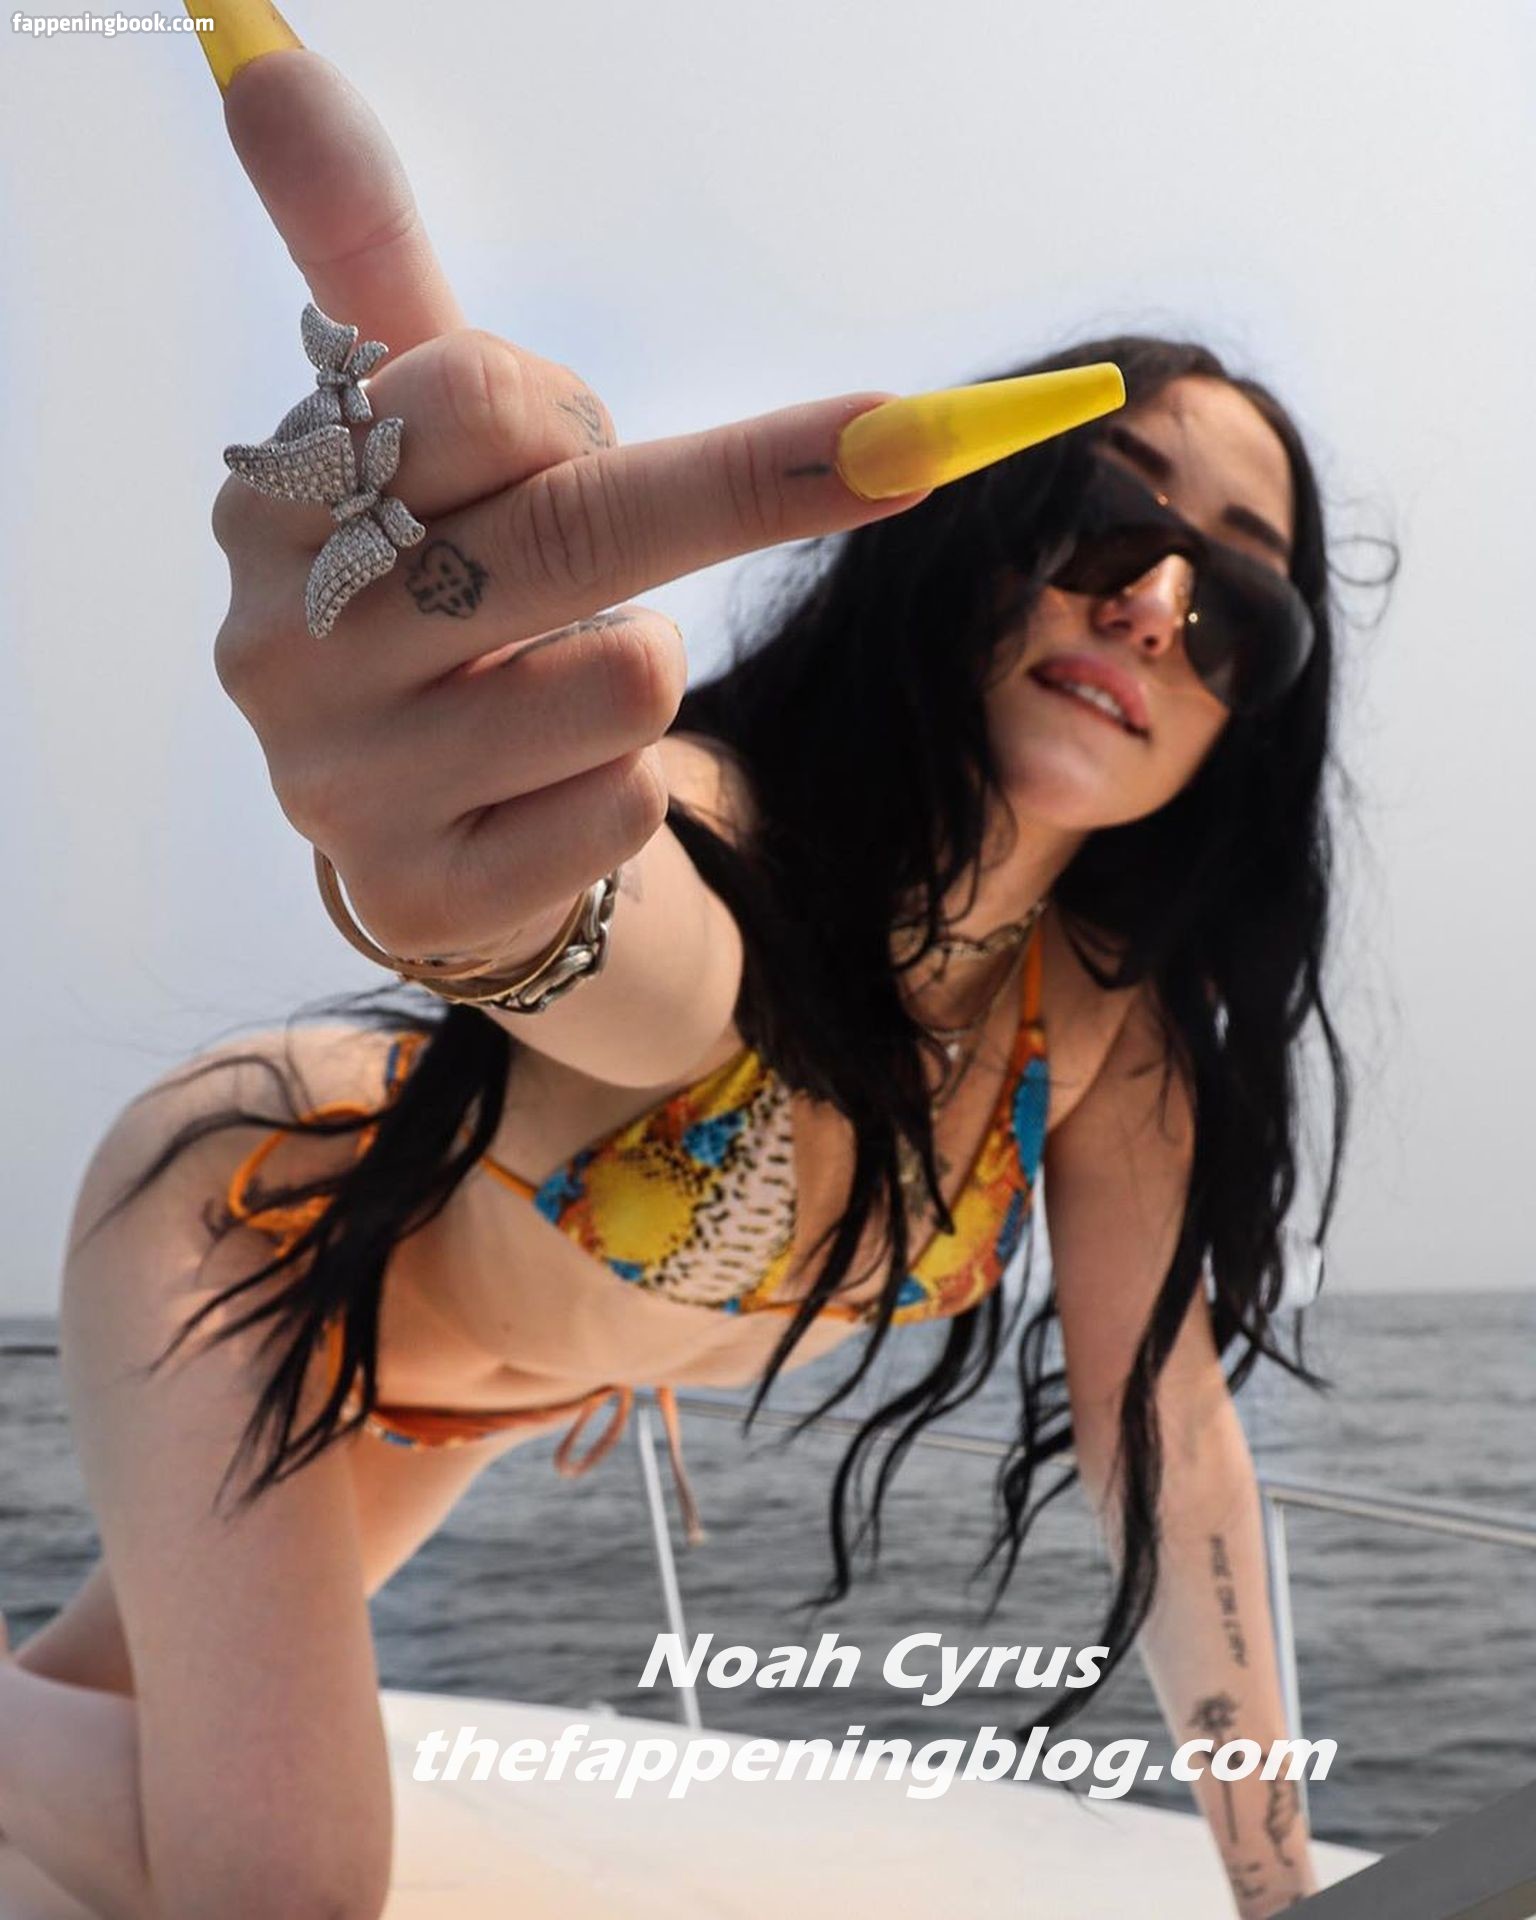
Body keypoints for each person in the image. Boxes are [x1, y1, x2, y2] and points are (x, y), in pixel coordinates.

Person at [0, 12, 1380, 1920]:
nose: (1154, 601)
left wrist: (1282, 1893)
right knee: (283, 1889)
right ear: (977, 539)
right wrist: (474, 834)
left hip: (471, 1387)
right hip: (257, 1229)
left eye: (1235, 594)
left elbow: (1173, 1441)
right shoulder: (739, 821)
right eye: (1106, 516)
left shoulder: (1101, 1028)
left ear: (1252, 702)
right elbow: (637, 936)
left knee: (87, 1732)